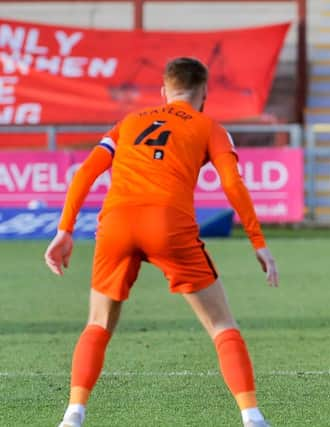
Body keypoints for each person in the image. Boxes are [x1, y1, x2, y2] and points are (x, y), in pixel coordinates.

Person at [44, 57, 279, 427]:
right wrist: (258, 242)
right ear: (204, 92)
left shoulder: (129, 123)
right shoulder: (210, 127)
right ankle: (252, 416)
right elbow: (232, 184)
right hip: (168, 224)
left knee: (98, 323)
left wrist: (65, 229)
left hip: (117, 223)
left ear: (164, 91)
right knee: (221, 324)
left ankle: (73, 413)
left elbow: (87, 170)